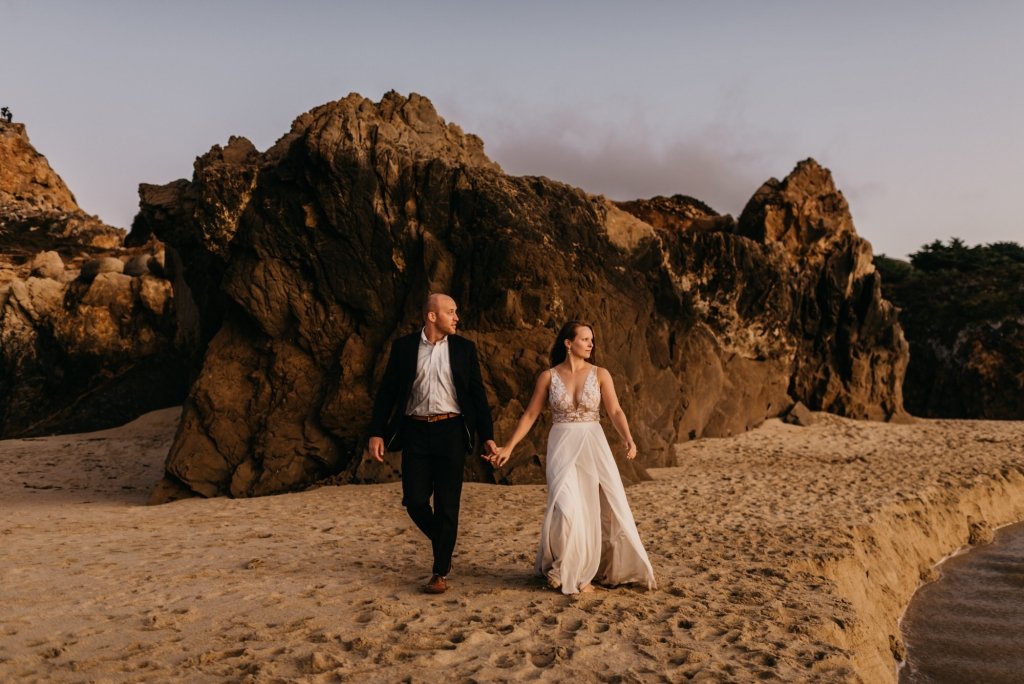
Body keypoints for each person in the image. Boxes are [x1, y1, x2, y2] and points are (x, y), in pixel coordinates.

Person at [488, 321, 656, 595]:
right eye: (585, 339)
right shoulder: (548, 377)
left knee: (596, 507)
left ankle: (579, 572)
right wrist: (508, 447)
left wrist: (628, 437)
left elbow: (615, 410)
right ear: (568, 343)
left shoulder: (601, 374)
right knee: (566, 507)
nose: (591, 344)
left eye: (592, 339)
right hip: (562, 445)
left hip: (593, 445)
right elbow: (530, 415)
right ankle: (565, 566)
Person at [369, 293, 496, 594]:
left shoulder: (464, 348)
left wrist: (487, 436)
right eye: (450, 312)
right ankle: (444, 542)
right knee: (414, 501)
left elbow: (477, 396)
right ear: (431, 316)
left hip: (452, 431)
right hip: (414, 430)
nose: (456, 318)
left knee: (447, 504)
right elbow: (387, 392)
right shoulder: (403, 347)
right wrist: (377, 432)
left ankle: (440, 571)